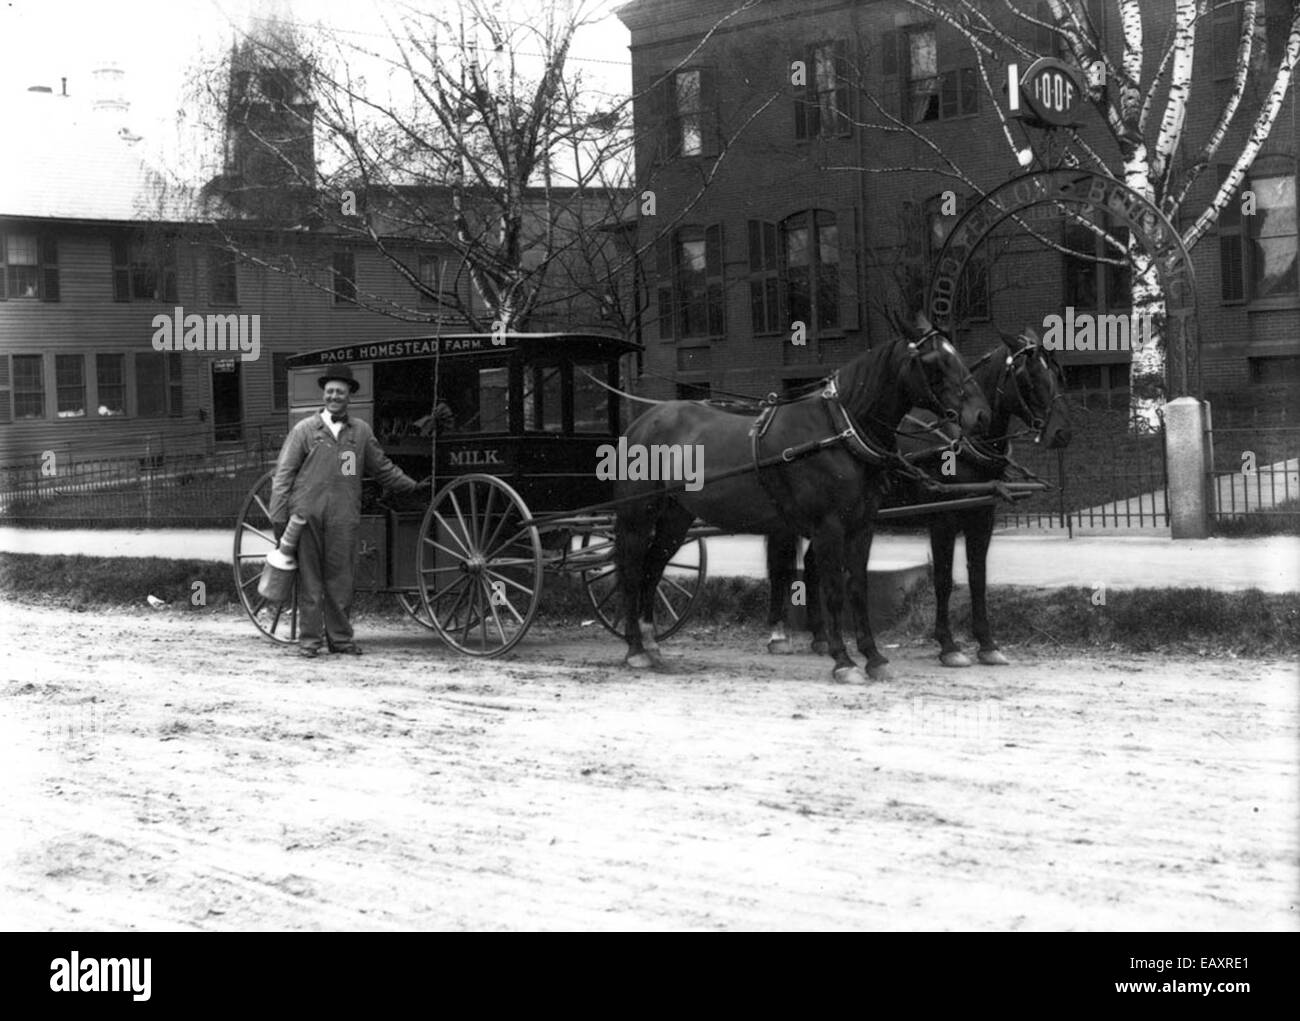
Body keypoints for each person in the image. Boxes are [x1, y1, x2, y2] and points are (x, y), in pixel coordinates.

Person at [269, 364, 421, 657]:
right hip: (306, 516)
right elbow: (284, 475)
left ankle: (340, 639)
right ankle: (310, 642)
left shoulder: (361, 432)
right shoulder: (304, 430)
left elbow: (382, 468)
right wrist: (279, 519)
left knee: (341, 580)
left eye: (340, 391)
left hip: (344, 517)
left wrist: (411, 486)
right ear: (323, 395)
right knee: (310, 581)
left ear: (350, 395)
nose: (334, 396)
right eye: (330, 391)